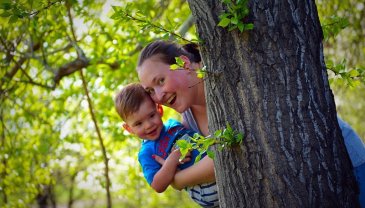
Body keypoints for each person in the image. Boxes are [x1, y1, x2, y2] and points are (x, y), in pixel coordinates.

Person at [136, 40, 365, 207]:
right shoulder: (186, 120)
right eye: (150, 91)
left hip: (340, 156)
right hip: (300, 182)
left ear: (183, 63)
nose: (158, 95)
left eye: (161, 81)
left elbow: (228, 159)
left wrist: (174, 178)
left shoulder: (225, 83)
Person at [114, 83, 219, 207]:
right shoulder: (147, 152)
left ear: (159, 110)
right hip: (203, 189)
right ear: (129, 129)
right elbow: (157, 185)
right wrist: (172, 160)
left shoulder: (173, 124)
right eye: (138, 123)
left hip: (209, 164)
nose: (148, 125)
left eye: (151, 115)